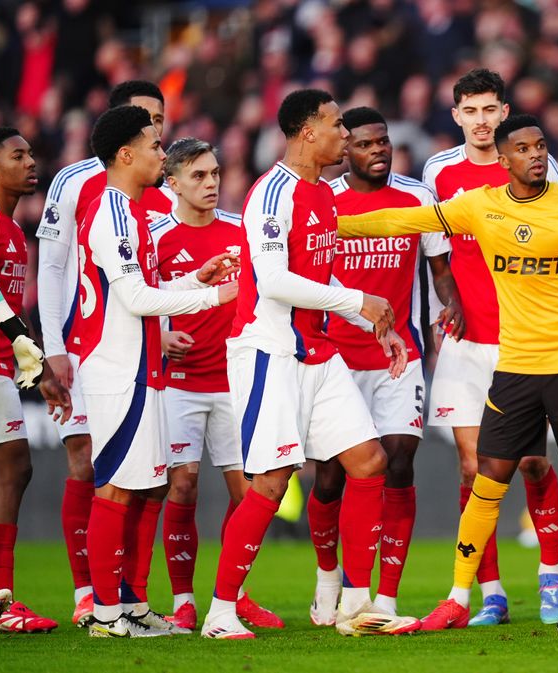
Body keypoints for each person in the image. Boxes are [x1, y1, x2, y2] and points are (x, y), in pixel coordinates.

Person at [337, 113, 558, 631]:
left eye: (541, 146)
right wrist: (329, 224)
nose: (536, 155)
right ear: (504, 161)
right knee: (486, 480)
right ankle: (459, 597)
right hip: (514, 367)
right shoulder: (480, 206)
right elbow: (402, 221)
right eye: (523, 149)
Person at [199, 89, 419, 640]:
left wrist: (375, 320)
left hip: (319, 351)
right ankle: (221, 611)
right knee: (271, 485)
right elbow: (272, 282)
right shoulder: (273, 193)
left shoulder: (322, 194)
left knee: (368, 462)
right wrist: (356, 302)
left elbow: (320, 275)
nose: (345, 135)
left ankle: (357, 603)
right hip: (270, 353)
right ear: (306, 132)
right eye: (337, 125)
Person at [79, 105, 238, 638]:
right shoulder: (114, 214)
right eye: (153, 146)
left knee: (142, 490)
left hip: (143, 372)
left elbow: (147, 293)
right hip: (116, 372)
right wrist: (219, 293)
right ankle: (105, 615)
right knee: (114, 492)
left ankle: (129, 603)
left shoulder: (132, 213)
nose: (159, 153)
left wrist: (196, 278)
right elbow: (138, 298)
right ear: (126, 154)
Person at [421, 68, 558, 626]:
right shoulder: (438, 172)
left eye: (490, 110)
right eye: (471, 111)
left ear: (504, 112)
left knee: (532, 462)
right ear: (457, 115)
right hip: (467, 344)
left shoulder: (538, 165)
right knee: (472, 469)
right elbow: (439, 257)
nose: (481, 121)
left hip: (525, 342)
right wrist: (449, 300)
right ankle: (491, 595)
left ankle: (551, 580)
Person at [308, 107, 462, 623]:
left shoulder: (418, 197)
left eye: (384, 142)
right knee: (331, 477)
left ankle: (385, 598)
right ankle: (328, 579)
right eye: (366, 144)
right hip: (335, 360)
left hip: (402, 357)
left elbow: (439, 265)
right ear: (344, 150)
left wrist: (451, 303)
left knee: (398, 466)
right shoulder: (324, 202)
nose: (378, 150)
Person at [36, 80, 175, 626]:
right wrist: (53, 347)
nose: (158, 132)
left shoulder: (155, 188)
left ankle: (131, 597)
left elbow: (155, 274)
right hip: (92, 345)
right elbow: (52, 266)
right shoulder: (78, 182)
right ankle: (90, 597)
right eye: (147, 122)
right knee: (94, 467)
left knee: (154, 477)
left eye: (161, 121)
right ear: (121, 130)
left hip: (148, 350)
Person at [149, 138, 282, 631]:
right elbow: (134, 301)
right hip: (178, 382)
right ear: (173, 183)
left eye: (214, 174)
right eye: (198, 176)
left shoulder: (238, 231)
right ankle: (184, 602)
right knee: (181, 486)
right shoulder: (157, 235)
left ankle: (235, 594)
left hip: (234, 381)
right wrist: (160, 336)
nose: (210, 184)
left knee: (247, 492)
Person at [0, 127, 70, 633]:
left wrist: (33, 364)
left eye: (31, 154)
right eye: (17, 155)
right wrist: (19, 335)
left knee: (9, 470)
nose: (30, 161)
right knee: (13, 468)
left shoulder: (14, 230)